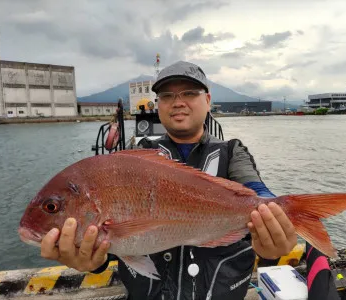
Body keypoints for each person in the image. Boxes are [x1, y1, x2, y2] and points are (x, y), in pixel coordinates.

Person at [40, 61, 297, 300]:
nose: (178, 102)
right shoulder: (134, 154)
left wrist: (275, 225)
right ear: (158, 104)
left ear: (207, 100)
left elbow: (257, 191)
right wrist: (95, 262)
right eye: (167, 96)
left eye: (189, 93)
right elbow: (114, 235)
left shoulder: (232, 151)